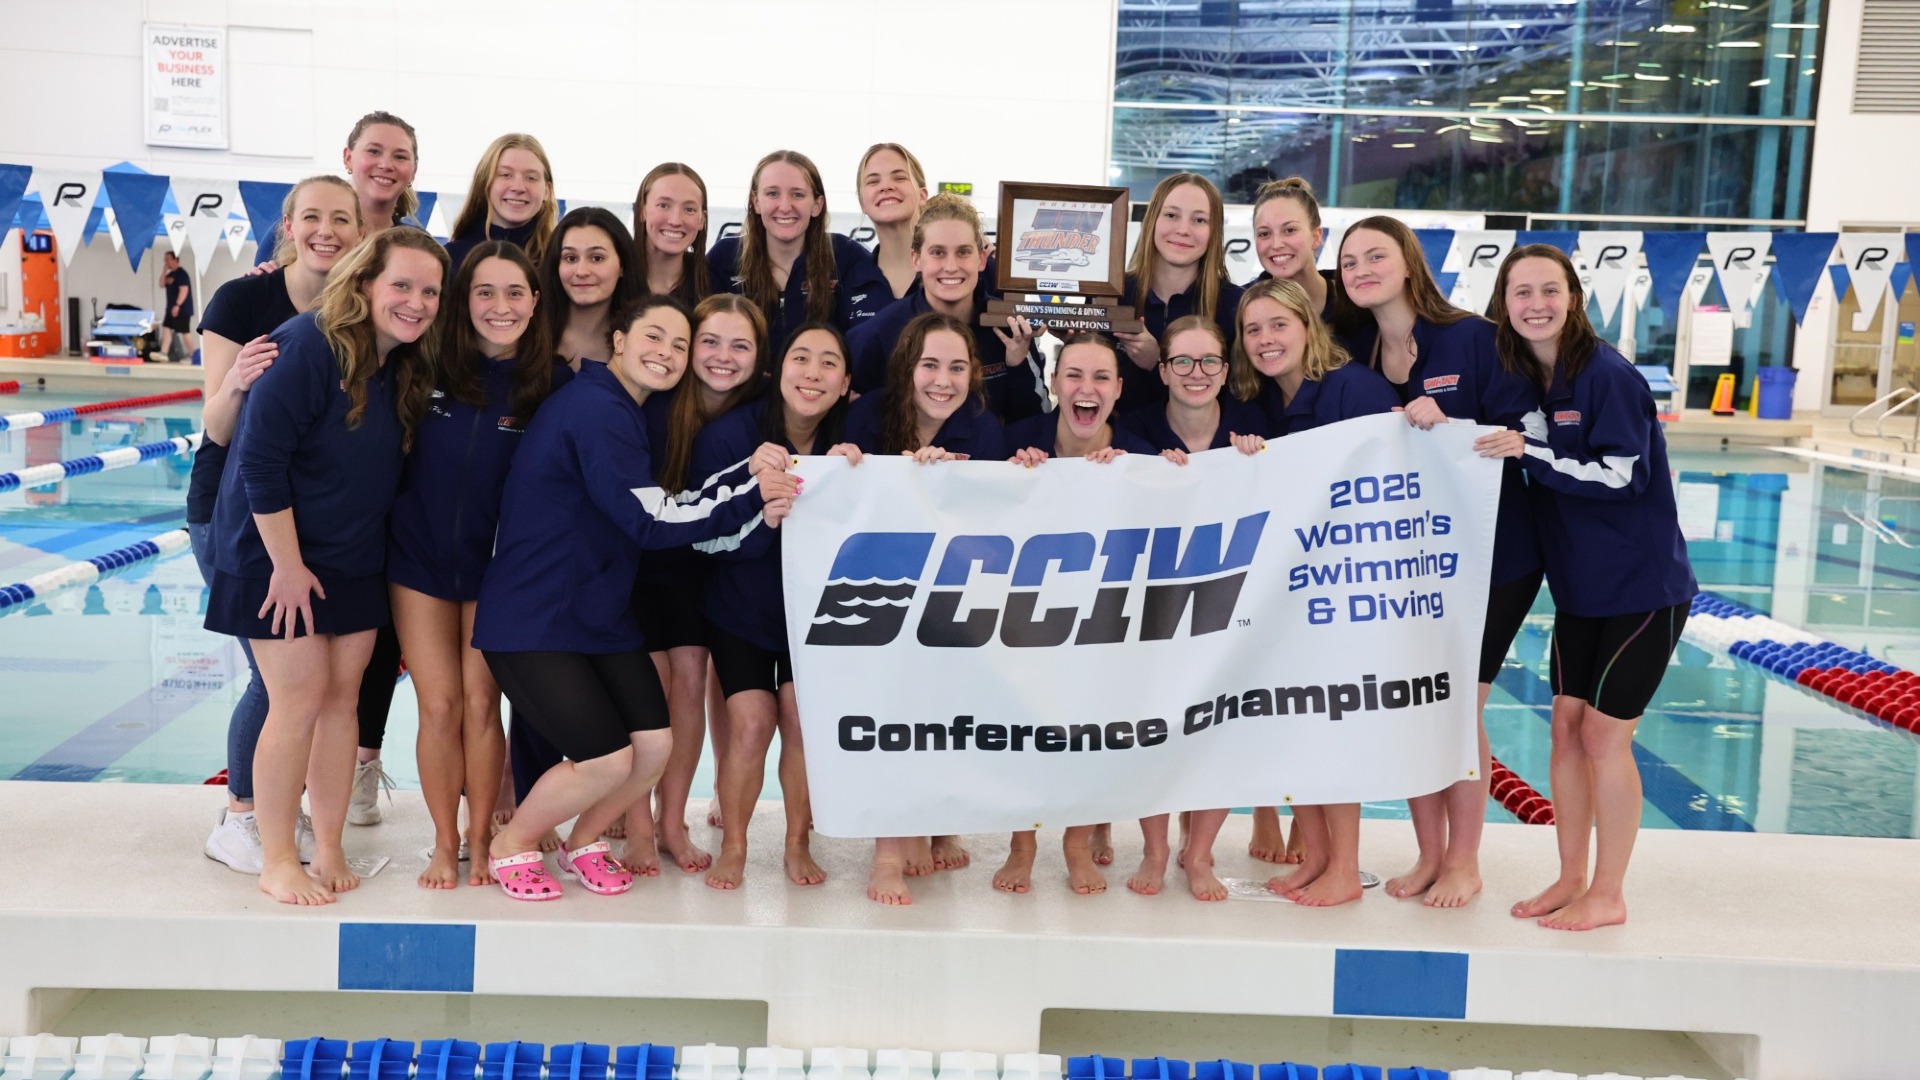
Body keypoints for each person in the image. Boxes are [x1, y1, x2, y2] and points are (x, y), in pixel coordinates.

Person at [472, 295, 797, 901]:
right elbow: (653, 520)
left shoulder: (621, 409)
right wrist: (753, 492)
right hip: (535, 617)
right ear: (618, 339)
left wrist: (747, 474)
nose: (667, 354)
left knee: (654, 747)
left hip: (593, 614)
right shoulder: (597, 410)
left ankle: (584, 841)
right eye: (654, 337)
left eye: (679, 345)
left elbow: (670, 499)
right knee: (606, 758)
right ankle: (511, 843)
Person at [205, 226, 449, 905]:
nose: (416, 301)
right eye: (402, 285)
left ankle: (331, 846)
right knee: (300, 699)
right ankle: (277, 856)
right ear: (365, 282)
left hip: (349, 556)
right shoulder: (306, 347)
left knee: (344, 703)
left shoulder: (396, 360)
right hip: (275, 556)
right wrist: (285, 566)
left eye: (429, 291)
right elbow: (257, 460)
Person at [1481, 245, 1695, 931]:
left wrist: (1530, 453)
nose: (1536, 304)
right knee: (1565, 733)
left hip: (1642, 587)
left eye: (1550, 290)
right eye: (1522, 292)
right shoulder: (1529, 379)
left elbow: (1621, 476)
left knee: (1605, 736)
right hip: (1579, 589)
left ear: (1573, 296)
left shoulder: (1606, 375)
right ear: (1504, 305)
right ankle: (1570, 875)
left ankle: (1609, 891)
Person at [1336, 215, 1542, 909]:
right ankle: (1428, 855)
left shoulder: (1473, 339)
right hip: (1409, 562)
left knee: (1458, 707)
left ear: (1408, 263)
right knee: (1421, 703)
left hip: (1494, 556)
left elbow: (1522, 432)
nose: (1362, 269)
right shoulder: (1357, 352)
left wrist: (1453, 427)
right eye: (1350, 260)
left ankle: (1465, 860)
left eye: (1376, 256)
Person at [195, 175, 363, 875]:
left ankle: (291, 819)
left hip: (321, 522)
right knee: (278, 682)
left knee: (314, 688)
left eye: (342, 219)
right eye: (312, 217)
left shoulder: (361, 308)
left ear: (362, 233)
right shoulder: (246, 298)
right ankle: (243, 818)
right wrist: (237, 380)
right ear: (287, 225)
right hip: (232, 509)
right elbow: (218, 428)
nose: (327, 230)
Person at [387, 241, 566, 889]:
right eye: (484, 293)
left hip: (499, 573)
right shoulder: (421, 365)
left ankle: (482, 837)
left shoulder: (552, 385)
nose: (500, 306)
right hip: (419, 563)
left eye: (515, 292)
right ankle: (442, 844)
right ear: (463, 302)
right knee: (438, 707)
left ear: (535, 301)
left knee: (482, 704)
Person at [1225, 277, 1400, 908]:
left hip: (1350, 586)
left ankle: (1346, 868)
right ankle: (1321, 857)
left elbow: (1393, 476)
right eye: (1254, 330)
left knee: (1334, 728)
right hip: (1305, 588)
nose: (1267, 340)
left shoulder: (1353, 388)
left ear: (1308, 327)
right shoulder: (1272, 399)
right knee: (1303, 722)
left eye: (1278, 326)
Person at [832, 311, 1004, 903]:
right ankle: (887, 850)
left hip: (951, 595)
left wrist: (963, 480)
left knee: (945, 716)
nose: (944, 381)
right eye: (930, 365)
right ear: (908, 368)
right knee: (892, 716)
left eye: (958, 368)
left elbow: (1002, 515)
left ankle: (936, 822)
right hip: (887, 590)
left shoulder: (981, 426)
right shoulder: (870, 414)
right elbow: (844, 494)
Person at [997, 333, 1152, 896]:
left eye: (1101, 378)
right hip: (1029, 617)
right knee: (1023, 723)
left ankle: (1076, 842)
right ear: (1055, 382)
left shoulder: (1139, 456)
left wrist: (1147, 475)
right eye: (1074, 376)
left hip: (1104, 623)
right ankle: (1022, 845)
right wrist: (1015, 476)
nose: (1087, 389)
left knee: (1093, 724)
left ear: (1118, 389)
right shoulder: (1017, 445)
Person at [699, 323, 853, 892]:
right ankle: (736, 843)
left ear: (845, 384)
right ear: (777, 370)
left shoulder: (853, 439)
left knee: (801, 720)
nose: (812, 373)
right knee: (751, 722)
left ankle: (796, 841)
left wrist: (853, 475)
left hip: (813, 615)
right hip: (742, 604)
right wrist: (755, 495)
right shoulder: (731, 437)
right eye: (801, 358)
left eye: (829, 363)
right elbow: (702, 537)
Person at [621, 293, 768, 874]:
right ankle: (636, 823)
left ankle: (669, 820)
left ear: (760, 357)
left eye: (740, 345)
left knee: (688, 688)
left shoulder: (759, 416)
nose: (722, 357)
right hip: (640, 564)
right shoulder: (652, 405)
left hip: (705, 569)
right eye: (709, 341)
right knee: (646, 696)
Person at [848, 193, 1047, 422]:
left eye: (963, 252)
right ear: (916, 259)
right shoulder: (880, 332)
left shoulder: (1009, 327)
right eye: (938, 253)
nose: (951, 267)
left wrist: (1017, 367)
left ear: (981, 259)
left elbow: (1034, 422)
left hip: (988, 455)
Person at [707, 150, 888, 347]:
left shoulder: (846, 256)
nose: (785, 206)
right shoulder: (724, 258)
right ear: (756, 202)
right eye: (772, 194)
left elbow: (867, 337)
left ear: (817, 205)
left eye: (798, 194)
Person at [1113, 173, 1243, 416]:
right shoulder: (1113, 293)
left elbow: (1239, 401)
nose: (1183, 230)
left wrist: (1157, 362)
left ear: (1214, 231)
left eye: (1199, 220)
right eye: (1171, 215)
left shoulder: (1235, 305)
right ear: (1152, 220)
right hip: (1118, 449)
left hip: (1201, 452)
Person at [1249, 177, 1376, 369]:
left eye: (1289, 230)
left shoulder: (1356, 304)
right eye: (1264, 234)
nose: (1276, 244)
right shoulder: (1241, 306)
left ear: (1316, 237)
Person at [1116, 315, 1263, 459]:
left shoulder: (1254, 421)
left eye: (1209, 360)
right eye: (1183, 361)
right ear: (1163, 372)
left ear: (1224, 373)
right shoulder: (1132, 432)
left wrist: (1262, 450)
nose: (1197, 374)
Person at [539, 206, 641, 369]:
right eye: (570, 258)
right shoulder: (528, 334)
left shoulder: (640, 346)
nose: (581, 271)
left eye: (597, 258)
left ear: (622, 265)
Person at [444, 133, 558, 273]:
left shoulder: (560, 262)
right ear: (485, 182)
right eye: (505, 175)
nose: (518, 187)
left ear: (547, 191)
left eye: (531, 178)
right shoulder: (449, 260)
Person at [855, 142, 929, 300]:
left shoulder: (953, 270)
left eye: (900, 178)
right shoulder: (849, 281)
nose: (886, 186)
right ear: (862, 203)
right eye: (873, 181)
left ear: (922, 196)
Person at [634, 163, 711, 304]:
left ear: (702, 220)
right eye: (663, 205)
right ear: (641, 211)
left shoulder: (714, 282)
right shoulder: (614, 277)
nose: (675, 221)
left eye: (689, 209)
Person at [158, 251, 196, 362]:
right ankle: (164, 352)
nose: (166, 261)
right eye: (165, 259)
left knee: (185, 332)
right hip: (170, 308)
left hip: (181, 309)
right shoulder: (170, 275)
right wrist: (164, 270)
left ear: (176, 260)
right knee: (167, 329)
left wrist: (177, 305)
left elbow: (184, 290)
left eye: (168, 259)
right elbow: (161, 284)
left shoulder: (181, 274)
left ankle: (193, 355)